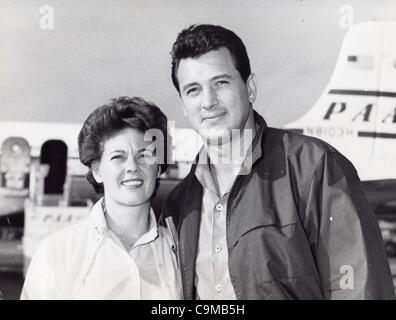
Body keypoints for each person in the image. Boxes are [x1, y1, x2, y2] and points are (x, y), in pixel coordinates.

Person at [161, 24, 395, 299]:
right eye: (193, 90)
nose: (208, 101)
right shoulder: (178, 205)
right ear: (184, 107)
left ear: (250, 88)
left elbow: (360, 289)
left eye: (221, 83)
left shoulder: (314, 168)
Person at [21, 96, 181, 299]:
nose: (132, 166)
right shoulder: (55, 252)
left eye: (144, 155)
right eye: (118, 157)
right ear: (97, 170)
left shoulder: (181, 253)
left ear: (158, 167)